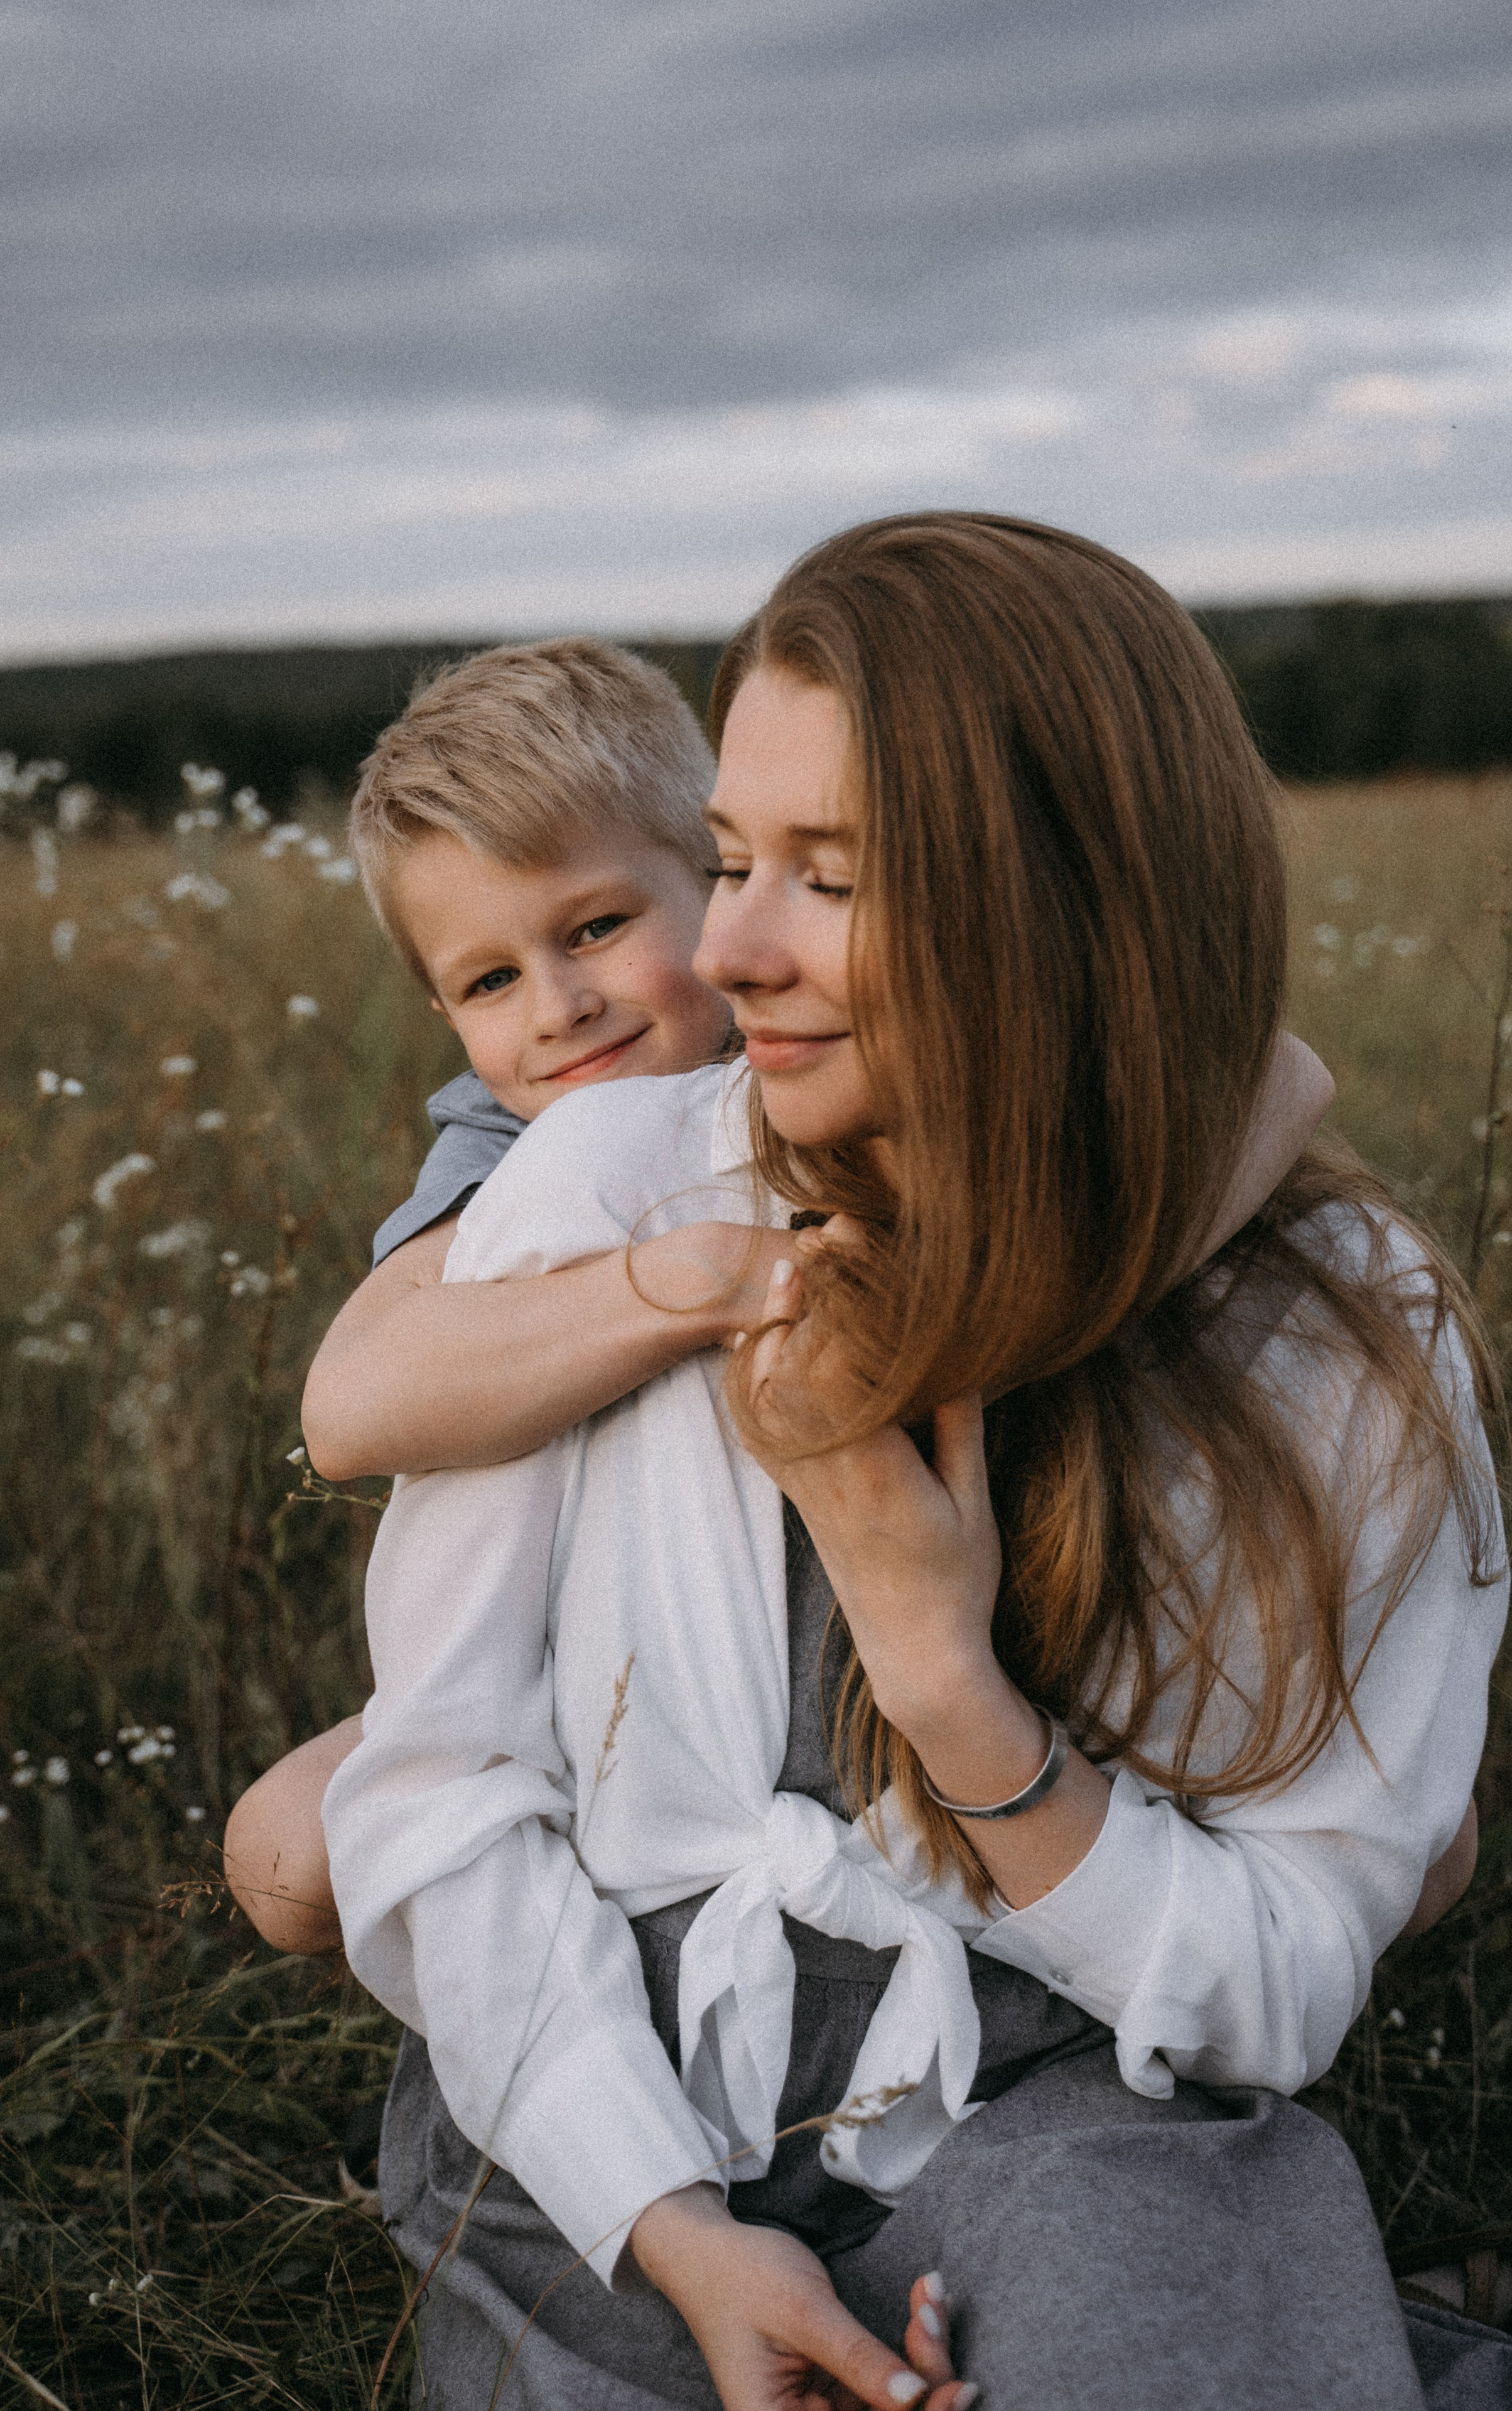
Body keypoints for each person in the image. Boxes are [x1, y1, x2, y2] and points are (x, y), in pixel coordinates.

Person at [320, 515, 1508, 2411]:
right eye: (728, 861)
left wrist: (949, 1686)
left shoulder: (1337, 1335)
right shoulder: (607, 1194)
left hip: (1072, 2104)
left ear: (1067, 896)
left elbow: (1276, 1987)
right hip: (619, 2129)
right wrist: (676, 2229)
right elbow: (440, 1798)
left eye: (830, 876)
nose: (727, 951)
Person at [227, 628, 1331, 1960]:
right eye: (491, 981)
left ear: (724, 878)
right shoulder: (506, 1145)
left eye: (598, 928)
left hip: (903, 1577)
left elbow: (1284, 1076)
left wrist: (1026, 1320)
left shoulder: (826, 1041)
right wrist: (710, 1281)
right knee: (282, 1857)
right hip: (599, 1638)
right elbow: (349, 1411)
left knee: (1409, 1845)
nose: (559, 1007)